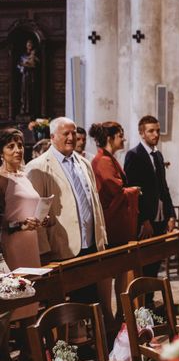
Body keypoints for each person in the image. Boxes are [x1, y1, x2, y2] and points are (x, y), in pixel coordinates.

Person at [25, 117, 108, 311]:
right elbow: (36, 212)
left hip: (91, 244)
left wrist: (101, 237)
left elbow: (94, 202)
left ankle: (91, 338)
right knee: (66, 309)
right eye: (66, 134)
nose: (72, 137)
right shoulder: (38, 167)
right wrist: (44, 251)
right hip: (62, 247)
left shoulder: (84, 163)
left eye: (73, 133)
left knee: (91, 302)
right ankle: (69, 341)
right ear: (53, 136)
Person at [0, 128, 47, 361]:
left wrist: (40, 218)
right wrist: (19, 224)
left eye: (19, 145)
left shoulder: (23, 175)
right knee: (12, 303)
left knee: (31, 302)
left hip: (31, 244)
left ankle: (29, 355)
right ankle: (6, 358)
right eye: (11, 146)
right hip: (13, 246)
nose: (17, 150)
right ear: (1, 152)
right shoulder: (1, 179)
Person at [89, 121, 140, 324]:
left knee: (121, 270)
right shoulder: (102, 160)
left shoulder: (109, 159)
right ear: (110, 138)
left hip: (117, 223)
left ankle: (120, 314)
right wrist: (134, 190)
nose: (124, 139)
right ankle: (109, 317)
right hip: (111, 224)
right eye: (120, 135)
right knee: (109, 272)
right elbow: (114, 190)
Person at [124, 115, 176, 289]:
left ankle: (152, 305)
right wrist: (144, 220)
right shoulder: (134, 155)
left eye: (157, 131)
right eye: (151, 131)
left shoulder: (158, 155)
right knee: (144, 265)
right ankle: (143, 307)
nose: (156, 134)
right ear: (142, 133)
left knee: (155, 264)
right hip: (146, 219)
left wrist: (171, 214)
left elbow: (164, 187)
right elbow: (133, 191)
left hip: (160, 216)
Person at [16, 39, 38, 115]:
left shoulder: (35, 55)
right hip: (25, 75)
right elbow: (19, 65)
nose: (29, 46)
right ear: (26, 45)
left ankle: (30, 110)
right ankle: (23, 109)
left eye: (31, 44)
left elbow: (35, 65)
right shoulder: (23, 55)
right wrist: (24, 65)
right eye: (28, 44)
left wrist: (29, 64)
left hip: (31, 75)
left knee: (31, 92)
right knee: (24, 92)